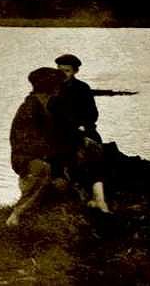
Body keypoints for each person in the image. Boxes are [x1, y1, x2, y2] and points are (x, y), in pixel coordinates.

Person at [6, 67, 68, 227]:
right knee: (43, 170)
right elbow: (26, 142)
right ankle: (16, 215)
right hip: (28, 159)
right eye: (58, 85)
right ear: (52, 87)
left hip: (39, 156)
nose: (60, 89)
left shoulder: (43, 106)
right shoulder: (30, 109)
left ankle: (38, 210)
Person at [50, 53, 110, 213]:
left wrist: (83, 127)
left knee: (94, 152)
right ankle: (74, 195)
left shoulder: (83, 88)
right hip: (60, 133)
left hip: (82, 130)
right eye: (60, 70)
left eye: (67, 71)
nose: (62, 74)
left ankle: (99, 199)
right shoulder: (51, 89)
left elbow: (93, 114)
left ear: (75, 71)